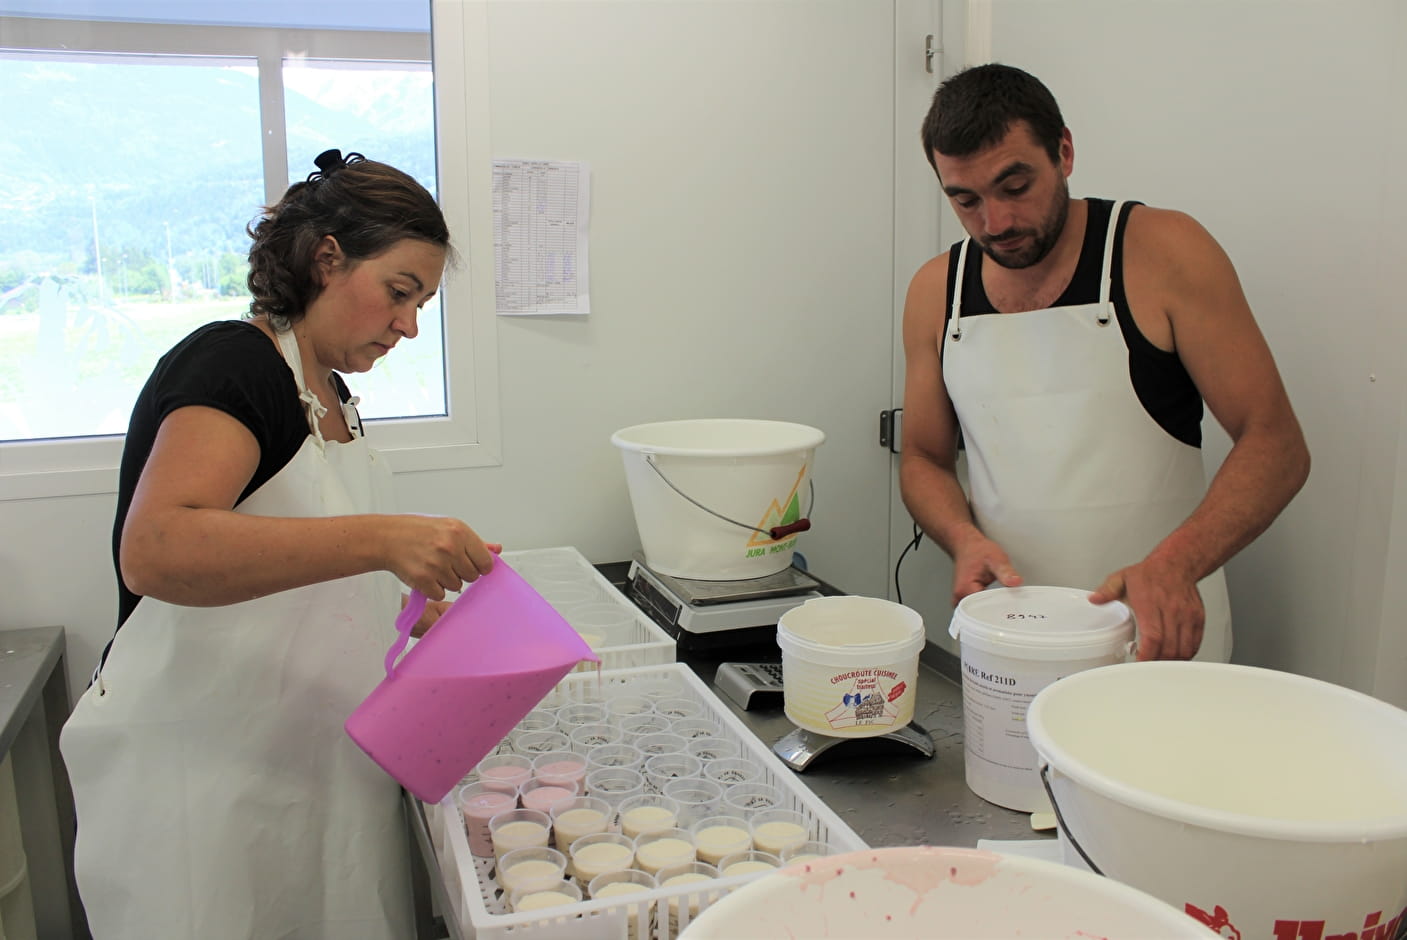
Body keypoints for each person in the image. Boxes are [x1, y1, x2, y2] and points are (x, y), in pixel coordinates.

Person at [60, 150, 496, 938]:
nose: (409, 325)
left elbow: (297, 562)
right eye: (399, 293)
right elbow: (158, 547)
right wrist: (385, 540)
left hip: (311, 768)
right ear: (327, 257)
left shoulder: (331, 394)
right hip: (202, 782)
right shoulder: (235, 363)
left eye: (422, 303)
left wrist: (402, 613)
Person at [900, 64, 1310, 662]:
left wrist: (1176, 565)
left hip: (1157, 637)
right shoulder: (938, 290)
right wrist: (961, 537)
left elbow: (1276, 445)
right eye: (965, 200)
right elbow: (923, 458)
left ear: (1063, 151)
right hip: (1015, 638)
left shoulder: (1162, 252)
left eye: (1015, 187)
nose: (996, 223)